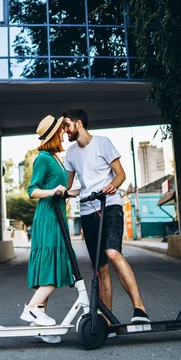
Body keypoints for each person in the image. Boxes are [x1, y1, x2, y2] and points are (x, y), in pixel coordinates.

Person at [62, 108, 150, 324]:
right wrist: (62, 196)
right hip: (87, 211)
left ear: (79, 123)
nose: (65, 131)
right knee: (100, 268)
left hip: (109, 205)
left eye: (67, 125)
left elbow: (121, 174)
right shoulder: (71, 154)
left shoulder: (103, 143)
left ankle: (140, 309)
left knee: (112, 252)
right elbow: (70, 187)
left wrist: (111, 186)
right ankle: (107, 320)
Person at [20, 114, 77, 343]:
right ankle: (32, 308)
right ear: (53, 134)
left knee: (48, 271)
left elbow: (61, 187)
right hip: (48, 218)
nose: (64, 132)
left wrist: (77, 192)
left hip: (58, 216)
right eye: (61, 130)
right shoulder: (43, 158)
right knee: (52, 270)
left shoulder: (56, 158)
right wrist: (53, 192)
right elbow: (32, 190)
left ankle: (40, 326)